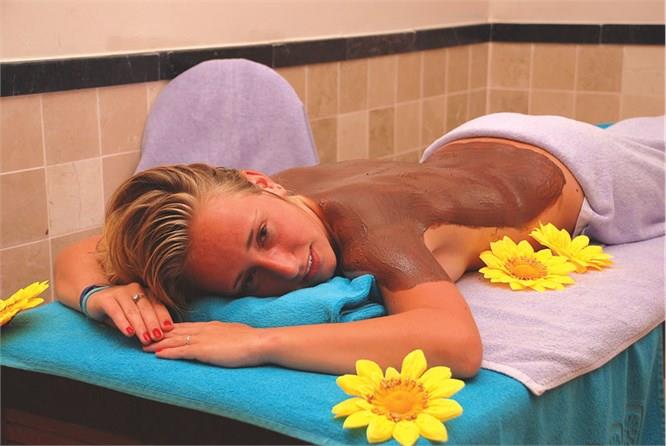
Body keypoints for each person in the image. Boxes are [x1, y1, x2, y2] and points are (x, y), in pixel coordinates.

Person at [54, 113, 665, 378]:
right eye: (248, 280)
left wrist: (257, 342)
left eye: (263, 236)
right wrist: (100, 294)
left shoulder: (372, 228)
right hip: (476, 140)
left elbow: (456, 345)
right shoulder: (268, 196)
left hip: (591, 168)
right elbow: (80, 254)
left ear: (261, 181)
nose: (287, 267)